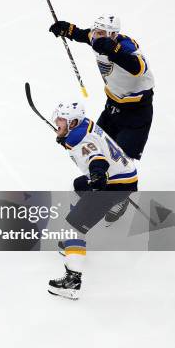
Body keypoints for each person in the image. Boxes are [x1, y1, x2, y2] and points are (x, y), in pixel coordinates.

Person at [48, 101, 137, 300]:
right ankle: (116, 202)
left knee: (74, 228)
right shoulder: (83, 125)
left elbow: (97, 159)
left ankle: (72, 281)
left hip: (112, 185)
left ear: (72, 123)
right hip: (125, 175)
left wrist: (98, 177)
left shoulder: (82, 142)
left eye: (61, 119)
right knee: (77, 186)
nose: (57, 121)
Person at [49, 15, 154, 161]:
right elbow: (83, 34)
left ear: (113, 34)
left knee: (122, 158)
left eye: (100, 32)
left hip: (136, 111)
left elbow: (139, 68)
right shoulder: (97, 39)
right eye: (96, 31)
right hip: (112, 106)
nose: (95, 36)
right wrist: (67, 29)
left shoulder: (126, 45)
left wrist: (115, 51)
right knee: (96, 146)